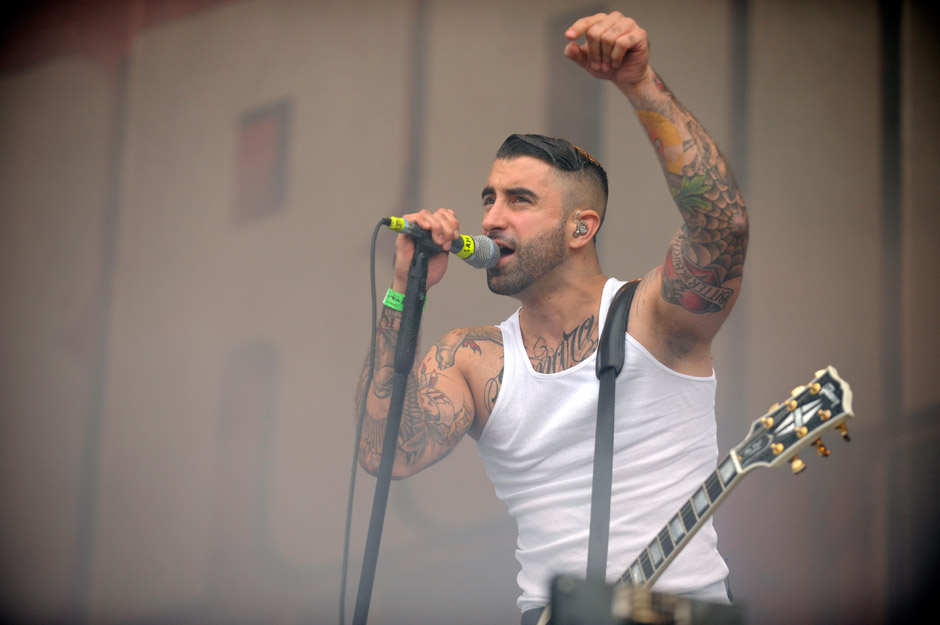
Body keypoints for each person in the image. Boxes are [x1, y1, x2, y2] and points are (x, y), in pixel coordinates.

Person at [355, 11, 748, 624]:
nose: (490, 219)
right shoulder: (474, 358)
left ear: (580, 227)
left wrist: (640, 83)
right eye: (489, 198)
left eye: (519, 200)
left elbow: (721, 226)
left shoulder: (652, 318)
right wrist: (403, 291)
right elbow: (384, 455)